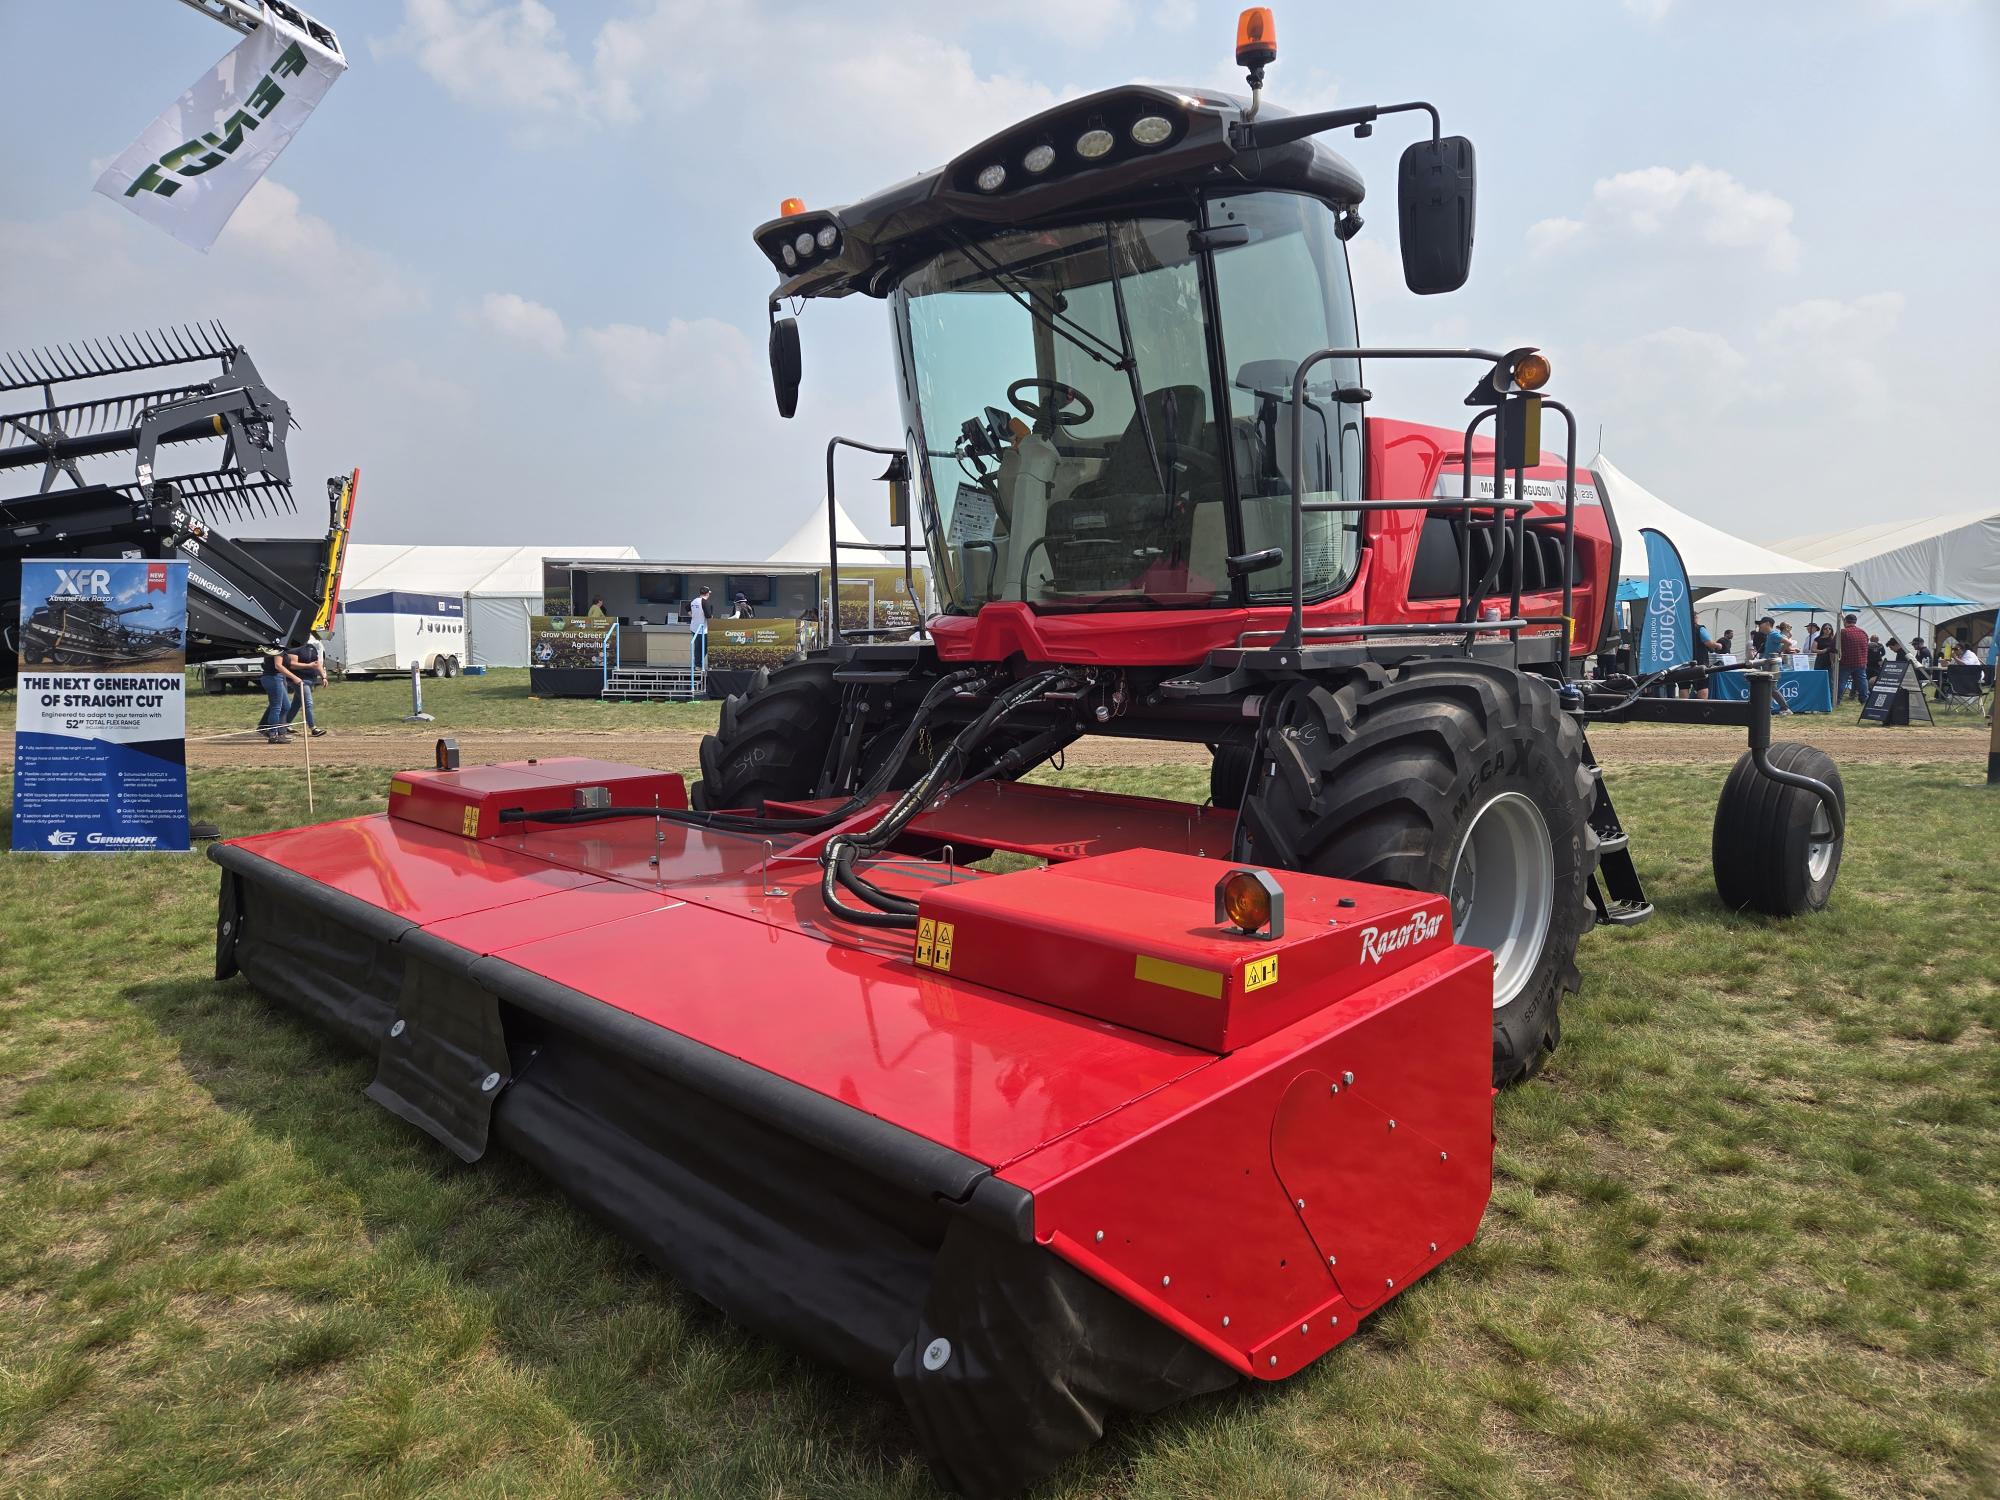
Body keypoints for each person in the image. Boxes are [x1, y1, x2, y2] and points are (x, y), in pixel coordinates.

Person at [284, 632, 329, 738]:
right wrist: (309, 665)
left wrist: (323, 676)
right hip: (299, 680)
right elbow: (292, 665)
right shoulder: (293, 648)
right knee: (308, 702)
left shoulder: (311, 648)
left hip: (309, 680)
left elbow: (317, 664)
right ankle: (313, 728)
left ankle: (285, 724)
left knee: (297, 703)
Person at [256, 643, 299, 744]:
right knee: (276, 707)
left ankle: (278, 732)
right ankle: (273, 735)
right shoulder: (278, 648)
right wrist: (294, 677)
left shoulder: (282, 649)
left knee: (286, 706)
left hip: (276, 677)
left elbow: (289, 662)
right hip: (273, 678)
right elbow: (278, 666)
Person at [1836, 613, 1869, 702]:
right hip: (1861, 662)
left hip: (1846, 662)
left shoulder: (1843, 632)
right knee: (1862, 681)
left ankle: (1837, 700)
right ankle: (1864, 700)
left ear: (1845, 621)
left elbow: (1834, 646)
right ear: (1855, 622)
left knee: (1841, 682)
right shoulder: (1863, 632)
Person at [689, 585, 711, 671]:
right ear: (707, 594)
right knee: (705, 647)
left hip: (694, 627)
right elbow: (708, 615)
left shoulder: (694, 601)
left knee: (698, 647)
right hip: (702, 629)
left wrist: (692, 616)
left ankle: (698, 664)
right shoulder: (704, 602)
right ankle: (698, 664)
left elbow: (687, 607)